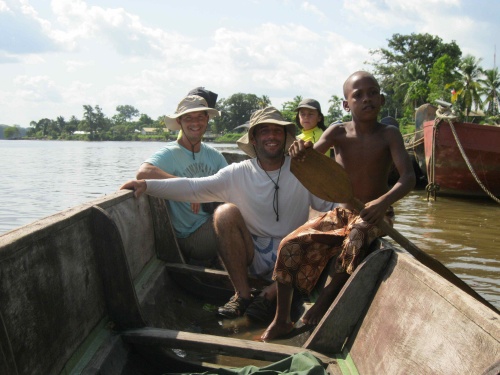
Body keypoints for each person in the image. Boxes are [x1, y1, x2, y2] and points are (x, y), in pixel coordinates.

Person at [120, 106, 335, 320]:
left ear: (286, 137)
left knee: (323, 226)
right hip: (253, 252)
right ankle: (242, 295)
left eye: (277, 131)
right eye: (264, 131)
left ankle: (269, 294)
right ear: (253, 139)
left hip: (293, 253)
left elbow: (330, 205)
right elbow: (193, 187)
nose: (272, 136)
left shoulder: (302, 169)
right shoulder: (237, 172)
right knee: (224, 213)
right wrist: (147, 185)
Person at [261, 71, 416, 341]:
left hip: (375, 215)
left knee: (356, 237)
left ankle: (321, 307)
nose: (367, 99)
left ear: (380, 99)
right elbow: (309, 159)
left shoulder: (389, 134)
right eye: (358, 95)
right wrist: (300, 151)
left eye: (372, 93)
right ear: (346, 104)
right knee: (289, 244)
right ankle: (281, 320)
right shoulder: (338, 132)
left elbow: (408, 178)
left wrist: (383, 202)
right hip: (341, 214)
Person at [136, 94, 227, 267]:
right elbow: (143, 173)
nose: (195, 123)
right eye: (188, 118)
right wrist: (187, 187)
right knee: (233, 217)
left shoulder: (214, 156)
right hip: (191, 236)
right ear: (179, 122)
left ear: (207, 120)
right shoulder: (171, 153)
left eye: (200, 117)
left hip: (212, 223)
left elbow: (233, 184)